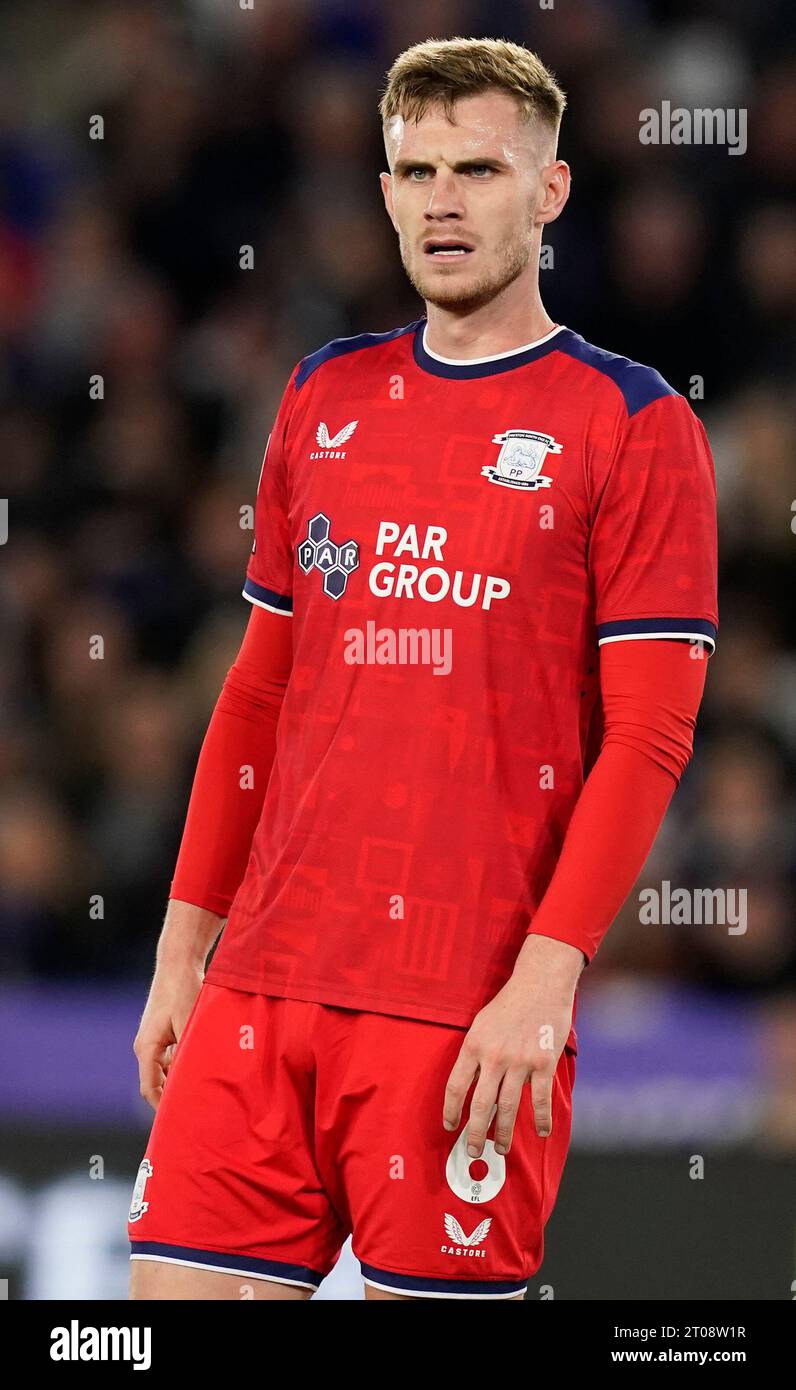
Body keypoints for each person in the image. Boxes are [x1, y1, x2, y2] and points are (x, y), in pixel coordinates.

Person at [127, 36, 717, 1301]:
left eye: (480, 170)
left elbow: (651, 736)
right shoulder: (320, 394)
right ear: (385, 192)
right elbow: (258, 696)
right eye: (416, 170)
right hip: (262, 985)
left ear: (549, 193)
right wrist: (185, 948)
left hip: (462, 1010)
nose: (444, 200)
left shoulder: (631, 422)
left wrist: (544, 980)